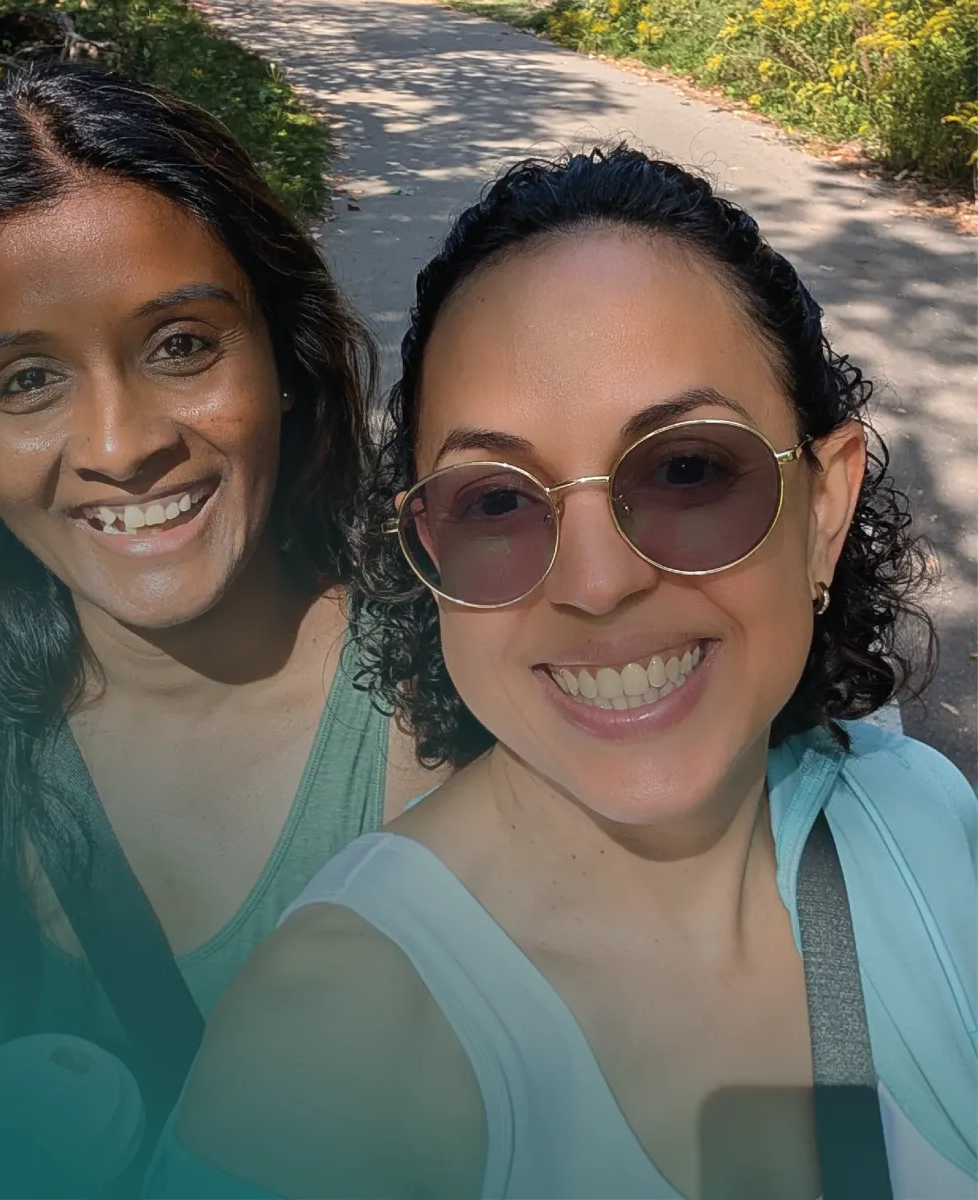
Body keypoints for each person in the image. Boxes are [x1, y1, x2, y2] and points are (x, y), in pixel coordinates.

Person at [168, 148, 977, 1199]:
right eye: (495, 503)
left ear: (822, 511)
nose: (597, 585)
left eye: (687, 469)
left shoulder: (920, 826)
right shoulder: (331, 1050)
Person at [0, 62, 439, 1180]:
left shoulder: (440, 725)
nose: (122, 443)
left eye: (181, 345)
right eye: (26, 380)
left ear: (282, 356)